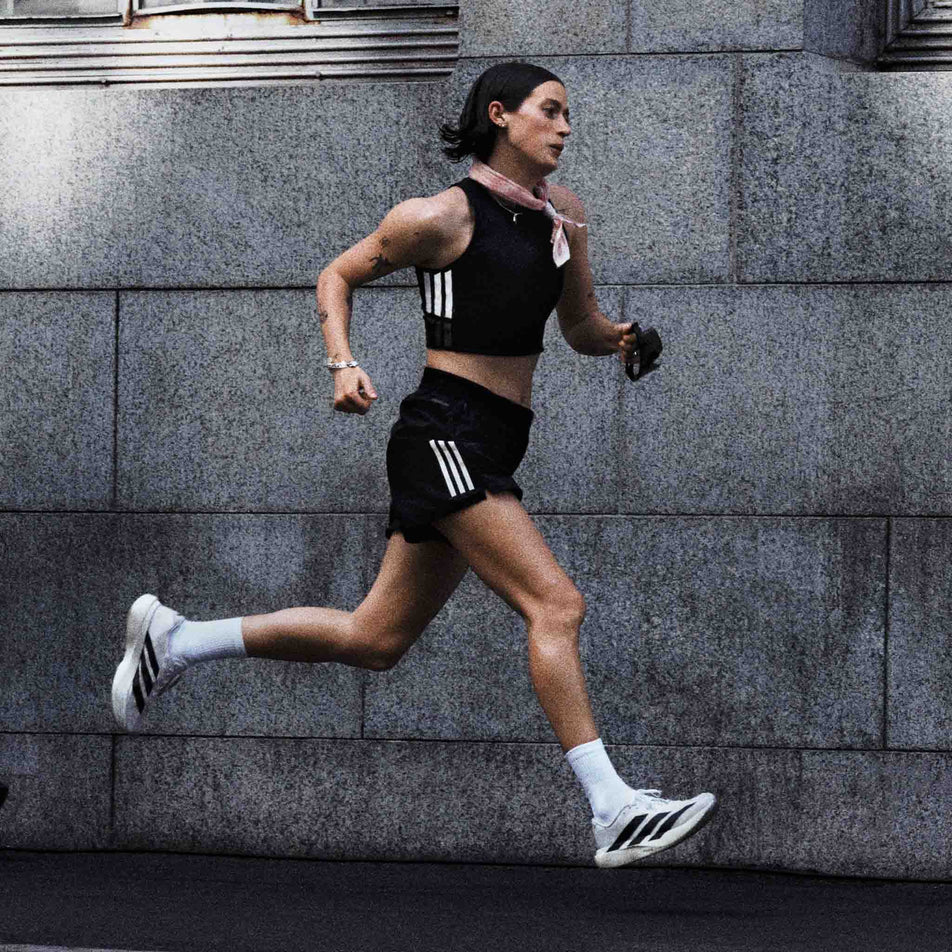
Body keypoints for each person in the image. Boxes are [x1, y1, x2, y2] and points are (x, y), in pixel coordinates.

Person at [112, 62, 716, 868]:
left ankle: (180, 640)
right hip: (445, 431)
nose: (566, 128)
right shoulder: (439, 217)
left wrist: (624, 338)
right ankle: (611, 808)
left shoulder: (564, 218)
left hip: (496, 439)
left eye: (569, 115)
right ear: (500, 116)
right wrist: (341, 361)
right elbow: (338, 273)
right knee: (556, 607)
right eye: (551, 111)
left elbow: (577, 325)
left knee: (375, 637)